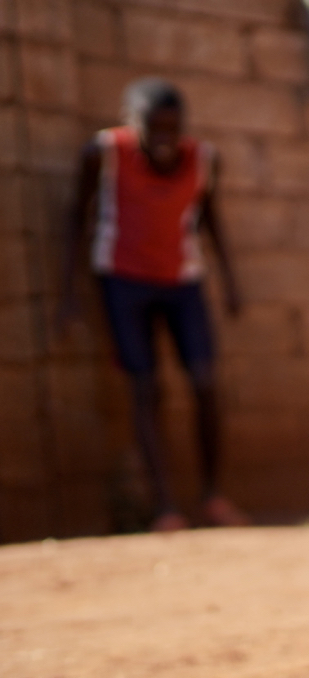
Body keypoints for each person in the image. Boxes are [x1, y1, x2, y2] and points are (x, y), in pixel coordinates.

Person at [53, 79, 244, 531]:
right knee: (145, 387)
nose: (164, 138)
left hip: (182, 280)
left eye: (172, 128)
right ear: (130, 122)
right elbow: (74, 220)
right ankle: (165, 506)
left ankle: (213, 497)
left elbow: (210, 219)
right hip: (123, 280)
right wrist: (66, 294)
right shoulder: (103, 154)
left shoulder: (203, 160)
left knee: (204, 381)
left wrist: (232, 280)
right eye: (153, 128)